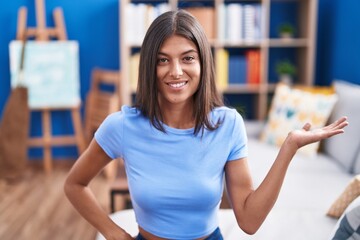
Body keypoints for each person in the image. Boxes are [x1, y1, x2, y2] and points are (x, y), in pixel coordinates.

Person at [64, 10, 348, 240]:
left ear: (203, 64)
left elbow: (249, 222)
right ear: (149, 66)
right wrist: (112, 232)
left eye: (188, 58)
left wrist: (289, 147)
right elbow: (75, 184)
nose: (176, 71)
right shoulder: (122, 126)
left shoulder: (228, 124)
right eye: (163, 60)